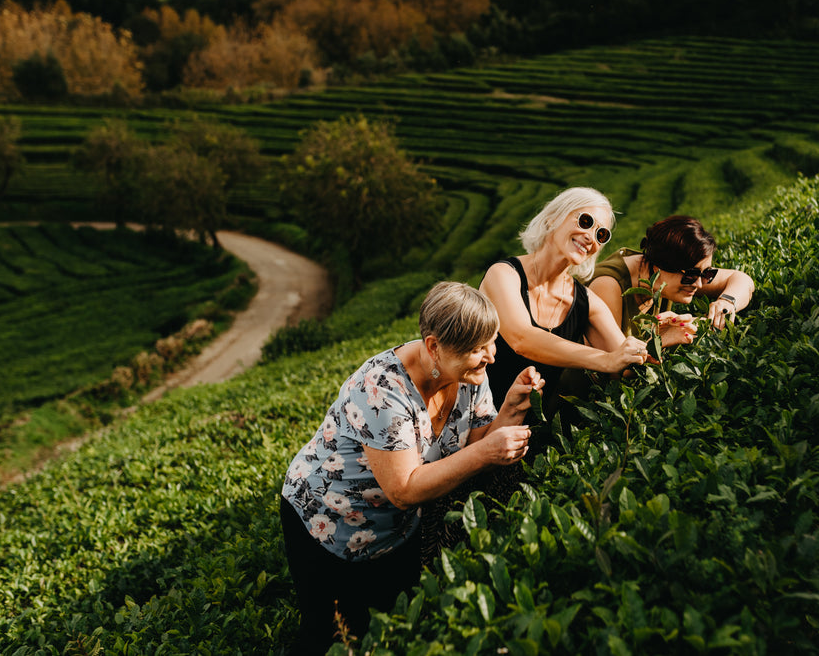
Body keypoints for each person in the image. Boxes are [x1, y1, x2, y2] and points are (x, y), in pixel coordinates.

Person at [279, 281, 542, 654]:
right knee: (328, 637)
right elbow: (404, 490)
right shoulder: (381, 389)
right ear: (434, 346)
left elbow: (476, 444)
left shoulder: (470, 377)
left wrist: (512, 408)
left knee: (389, 629)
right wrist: (486, 454)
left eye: (492, 342)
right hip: (327, 519)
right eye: (477, 348)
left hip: (394, 530)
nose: (491, 356)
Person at [478, 186, 650, 421]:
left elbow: (626, 366)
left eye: (601, 234)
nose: (590, 237)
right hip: (473, 424)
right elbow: (522, 339)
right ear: (552, 219)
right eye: (585, 221)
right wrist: (604, 360)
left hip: (528, 435)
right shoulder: (504, 274)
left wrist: (660, 340)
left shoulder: (588, 303)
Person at [588, 215, 754, 345]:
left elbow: (742, 280)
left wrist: (726, 302)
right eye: (690, 275)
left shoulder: (660, 274)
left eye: (707, 274)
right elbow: (616, 369)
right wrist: (661, 342)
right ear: (659, 267)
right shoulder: (607, 285)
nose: (699, 284)